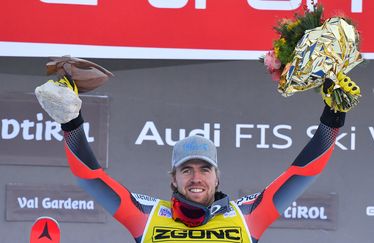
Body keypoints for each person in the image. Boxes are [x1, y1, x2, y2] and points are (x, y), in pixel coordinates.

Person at [35, 75, 347, 243]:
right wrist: (71, 123)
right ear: (173, 178)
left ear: (217, 176)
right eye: (187, 170)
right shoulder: (146, 215)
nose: (196, 177)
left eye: (204, 169)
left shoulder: (247, 215)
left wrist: (332, 120)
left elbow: (301, 174)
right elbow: (90, 179)